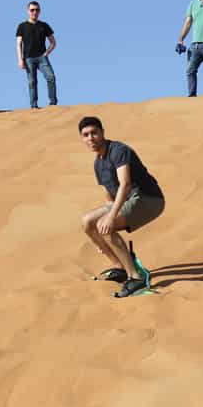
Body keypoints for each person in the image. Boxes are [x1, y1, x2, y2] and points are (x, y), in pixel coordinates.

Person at [79, 116, 165, 298]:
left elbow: (125, 184)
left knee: (104, 226)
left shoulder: (118, 151)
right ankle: (120, 267)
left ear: (103, 132)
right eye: (85, 135)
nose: (90, 138)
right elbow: (109, 197)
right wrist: (100, 240)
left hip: (148, 199)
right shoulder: (98, 163)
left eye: (94, 133)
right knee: (87, 222)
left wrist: (110, 219)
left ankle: (136, 277)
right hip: (127, 201)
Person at [16, 1, 58, 109]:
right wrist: (20, 60)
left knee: (51, 77)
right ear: (28, 11)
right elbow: (19, 44)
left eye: (37, 10)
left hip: (42, 57)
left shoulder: (44, 26)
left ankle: (53, 103)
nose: (35, 12)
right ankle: (34, 106)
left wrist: (47, 53)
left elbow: (53, 42)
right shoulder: (22, 26)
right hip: (28, 58)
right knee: (32, 82)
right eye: (32, 10)